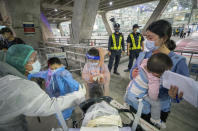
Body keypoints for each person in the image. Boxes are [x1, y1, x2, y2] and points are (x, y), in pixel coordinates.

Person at [0, 44, 86, 131]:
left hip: (64, 96)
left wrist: (78, 91)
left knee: (67, 112)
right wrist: (77, 96)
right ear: (23, 63)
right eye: (34, 60)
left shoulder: (64, 73)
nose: (37, 62)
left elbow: (72, 83)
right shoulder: (19, 86)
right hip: (56, 99)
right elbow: (49, 105)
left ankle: (71, 123)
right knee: (60, 114)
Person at [126, 19, 189, 123]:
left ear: (163, 38)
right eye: (146, 37)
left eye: (150, 38)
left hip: (156, 111)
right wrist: (133, 74)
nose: (146, 41)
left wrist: (174, 96)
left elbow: (182, 93)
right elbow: (133, 72)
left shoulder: (177, 62)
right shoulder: (144, 54)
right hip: (136, 102)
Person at [125, 53, 173, 128]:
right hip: (139, 96)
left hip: (130, 90)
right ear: (157, 74)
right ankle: (155, 120)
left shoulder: (144, 63)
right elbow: (153, 95)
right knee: (156, 103)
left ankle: (126, 104)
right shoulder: (154, 79)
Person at [28, 57, 80, 121]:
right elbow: (41, 73)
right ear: (49, 67)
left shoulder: (64, 73)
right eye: (52, 68)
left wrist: (79, 90)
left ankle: (70, 119)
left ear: (60, 65)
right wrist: (31, 74)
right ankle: (63, 119)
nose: (54, 70)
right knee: (58, 111)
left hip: (65, 95)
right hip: (54, 97)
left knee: (67, 109)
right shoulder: (49, 73)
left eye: (56, 68)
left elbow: (72, 83)